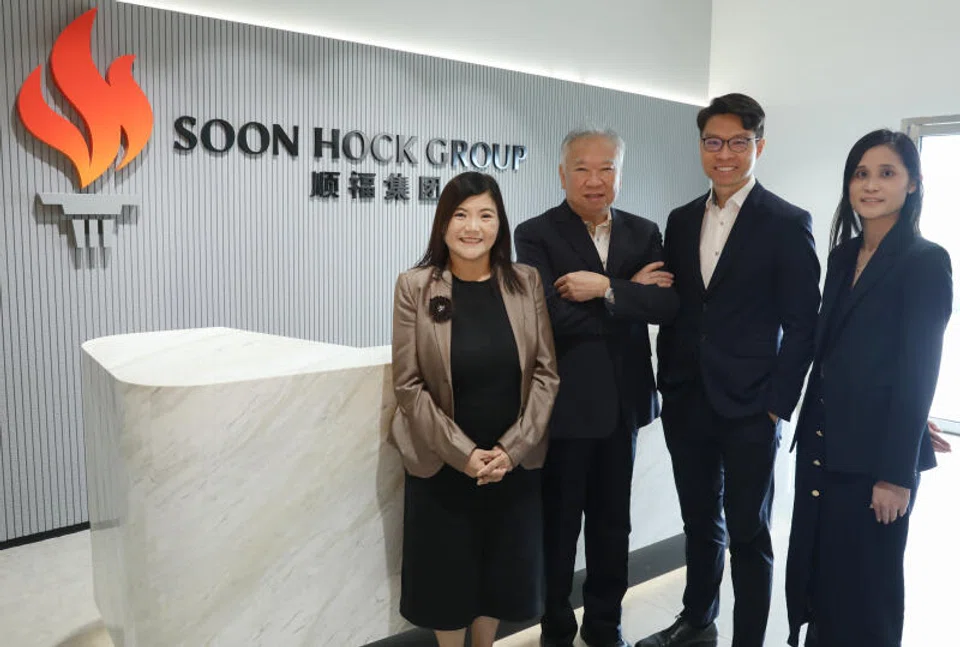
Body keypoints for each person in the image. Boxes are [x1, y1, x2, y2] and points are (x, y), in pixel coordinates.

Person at [640, 94, 822, 647]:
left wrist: (776, 404)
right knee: (698, 522)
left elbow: (804, 324)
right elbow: (682, 308)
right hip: (688, 399)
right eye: (713, 142)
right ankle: (698, 620)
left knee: (748, 531)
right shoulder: (680, 219)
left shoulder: (787, 222)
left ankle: (748, 640)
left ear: (758, 146)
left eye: (738, 142)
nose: (725, 154)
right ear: (701, 146)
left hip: (751, 406)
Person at [785, 129, 953, 647]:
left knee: (868, 589)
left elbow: (918, 369)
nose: (871, 185)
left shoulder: (926, 261)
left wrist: (896, 474)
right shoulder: (843, 255)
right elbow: (831, 347)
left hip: (875, 461)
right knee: (820, 577)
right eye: (861, 173)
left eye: (887, 173)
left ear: (913, 185)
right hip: (823, 443)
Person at [514, 128, 678, 647]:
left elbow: (666, 308)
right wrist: (628, 298)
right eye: (582, 168)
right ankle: (556, 628)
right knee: (559, 528)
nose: (594, 179)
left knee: (613, 527)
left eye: (606, 168)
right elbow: (547, 317)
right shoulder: (536, 233)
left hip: (624, 406)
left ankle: (606, 626)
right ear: (562, 174)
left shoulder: (644, 231)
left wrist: (603, 288)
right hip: (565, 406)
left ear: (620, 175)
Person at [389, 172, 560, 647]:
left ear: (500, 224)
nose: (472, 227)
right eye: (460, 215)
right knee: (450, 578)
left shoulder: (525, 282)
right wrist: (463, 454)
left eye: (486, 215)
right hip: (444, 463)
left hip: (513, 464)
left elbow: (547, 373)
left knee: (501, 575)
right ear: (443, 223)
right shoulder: (416, 286)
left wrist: (510, 449)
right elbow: (409, 383)